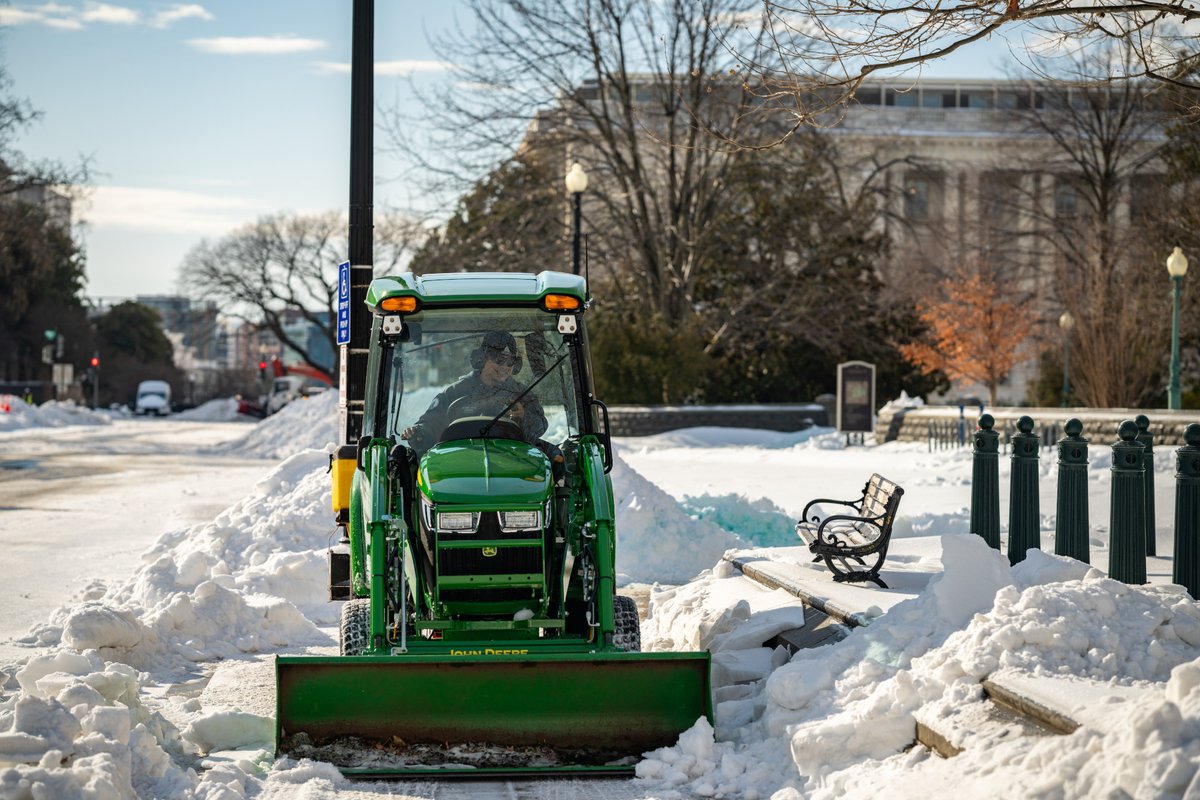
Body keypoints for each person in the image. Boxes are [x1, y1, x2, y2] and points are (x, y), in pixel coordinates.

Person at [402, 331, 548, 451]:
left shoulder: (521, 394)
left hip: (511, 457)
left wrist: (522, 418)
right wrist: (419, 431)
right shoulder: (456, 391)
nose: (505, 367)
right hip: (461, 459)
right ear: (484, 359)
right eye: (499, 360)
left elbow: (540, 425)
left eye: (511, 362)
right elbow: (432, 423)